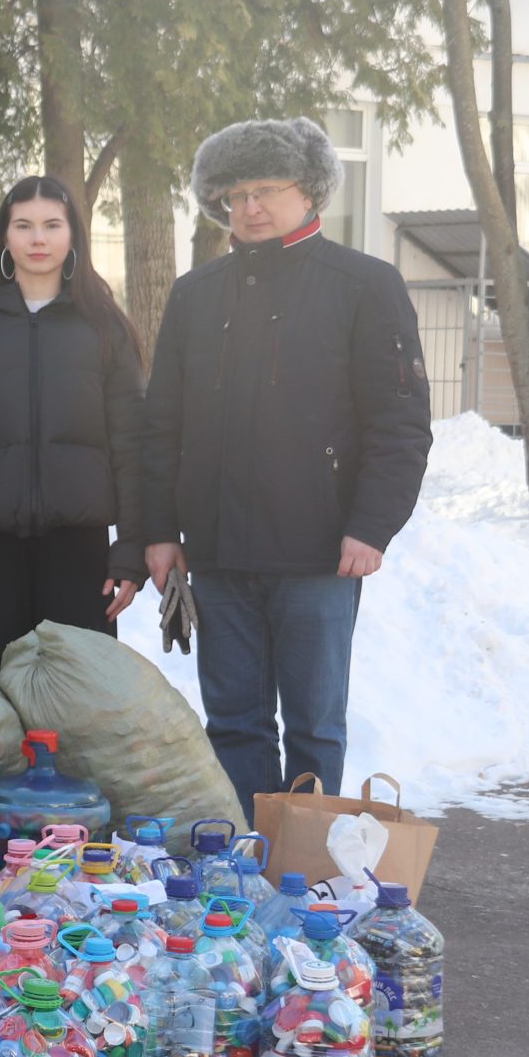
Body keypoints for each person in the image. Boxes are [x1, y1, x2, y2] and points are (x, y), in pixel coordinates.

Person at [138, 116, 432, 815]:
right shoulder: (195, 295)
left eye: (267, 188)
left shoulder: (365, 284)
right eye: (235, 194)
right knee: (234, 722)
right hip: (219, 552)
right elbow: (160, 426)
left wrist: (372, 525)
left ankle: (305, 864)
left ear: (311, 193)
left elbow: (400, 424)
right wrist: (158, 529)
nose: (250, 207)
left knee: (313, 726)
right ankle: (246, 857)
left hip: (319, 551)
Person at [0, 176, 145, 682]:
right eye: (24, 226)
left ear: (72, 236)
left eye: (52, 225)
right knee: (1, 702)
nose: (38, 239)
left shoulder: (103, 330)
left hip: (81, 551)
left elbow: (132, 446)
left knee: (81, 701)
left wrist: (130, 550)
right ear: (5, 238)